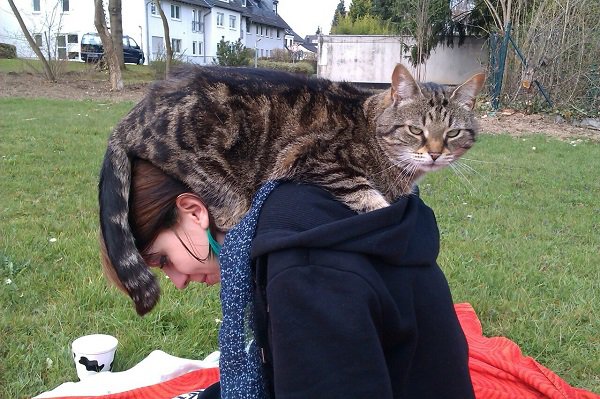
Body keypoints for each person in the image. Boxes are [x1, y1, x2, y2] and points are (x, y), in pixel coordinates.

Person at [100, 159, 475, 399]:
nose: (177, 281)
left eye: (163, 260)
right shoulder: (293, 207)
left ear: (193, 211)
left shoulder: (301, 271)